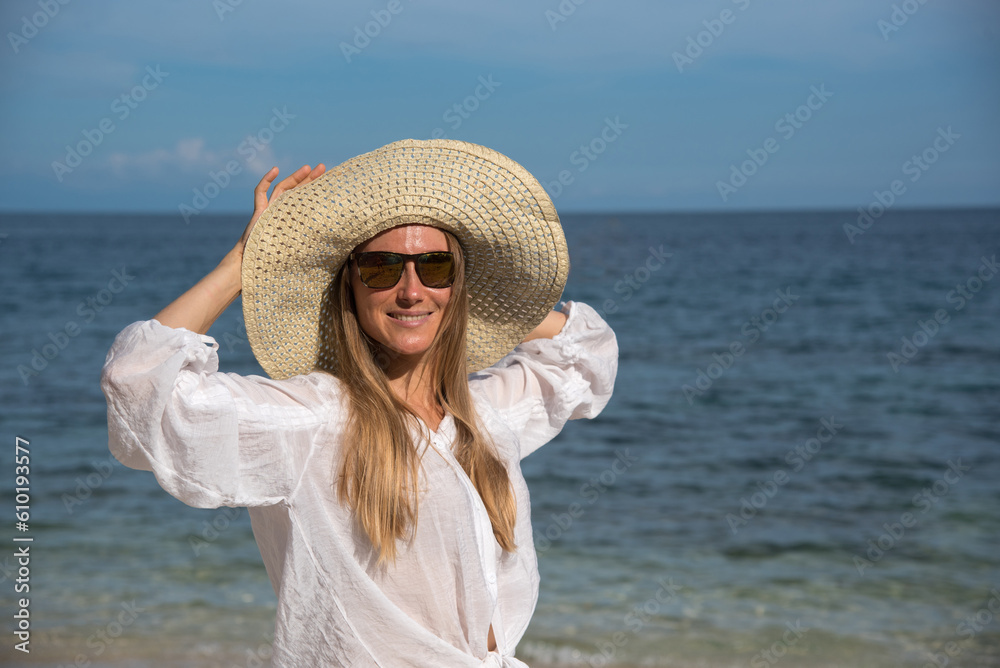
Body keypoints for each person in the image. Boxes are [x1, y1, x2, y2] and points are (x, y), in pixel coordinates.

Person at [101, 139, 618, 667]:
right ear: (349, 284)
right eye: (382, 268)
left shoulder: (481, 416)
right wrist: (247, 261)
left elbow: (585, 357)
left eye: (434, 267)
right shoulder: (314, 420)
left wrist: (482, 294)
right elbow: (140, 385)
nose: (411, 290)